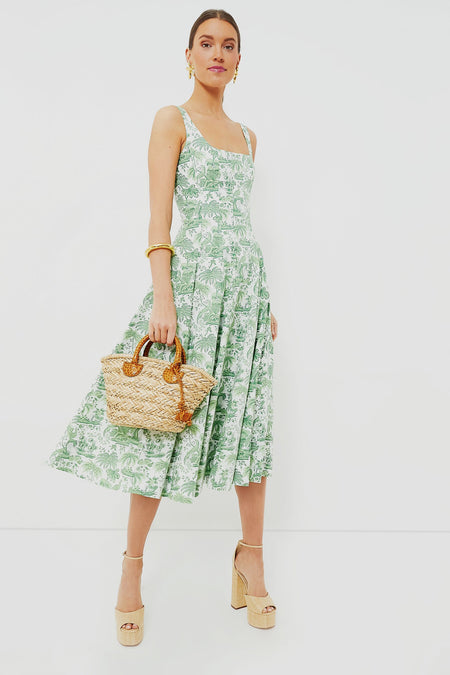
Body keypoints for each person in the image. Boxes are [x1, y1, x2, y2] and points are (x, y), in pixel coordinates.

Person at [47, 8, 278, 644]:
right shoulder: (171, 120)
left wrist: (263, 303)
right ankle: (132, 567)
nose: (217, 53)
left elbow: (241, 227)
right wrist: (164, 299)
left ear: (239, 61)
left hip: (245, 296)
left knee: (249, 429)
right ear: (188, 54)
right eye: (206, 43)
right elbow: (158, 222)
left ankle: (251, 558)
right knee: (158, 427)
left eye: (228, 45)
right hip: (192, 292)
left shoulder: (249, 137)